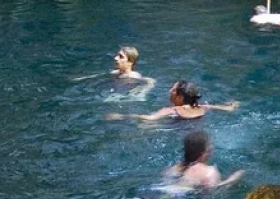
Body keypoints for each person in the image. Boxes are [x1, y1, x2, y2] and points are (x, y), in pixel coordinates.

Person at [105, 80, 238, 121]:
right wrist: (233, 103)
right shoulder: (203, 107)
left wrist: (120, 116)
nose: (169, 91)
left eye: (173, 90)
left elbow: (149, 118)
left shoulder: (171, 110)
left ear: (180, 97)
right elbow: (229, 108)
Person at [165, 130, 244, 190]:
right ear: (204, 152)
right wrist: (232, 179)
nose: (212, 147)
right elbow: (213, 192)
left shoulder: (174, 168)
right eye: (210, 145)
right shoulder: (209, 172)